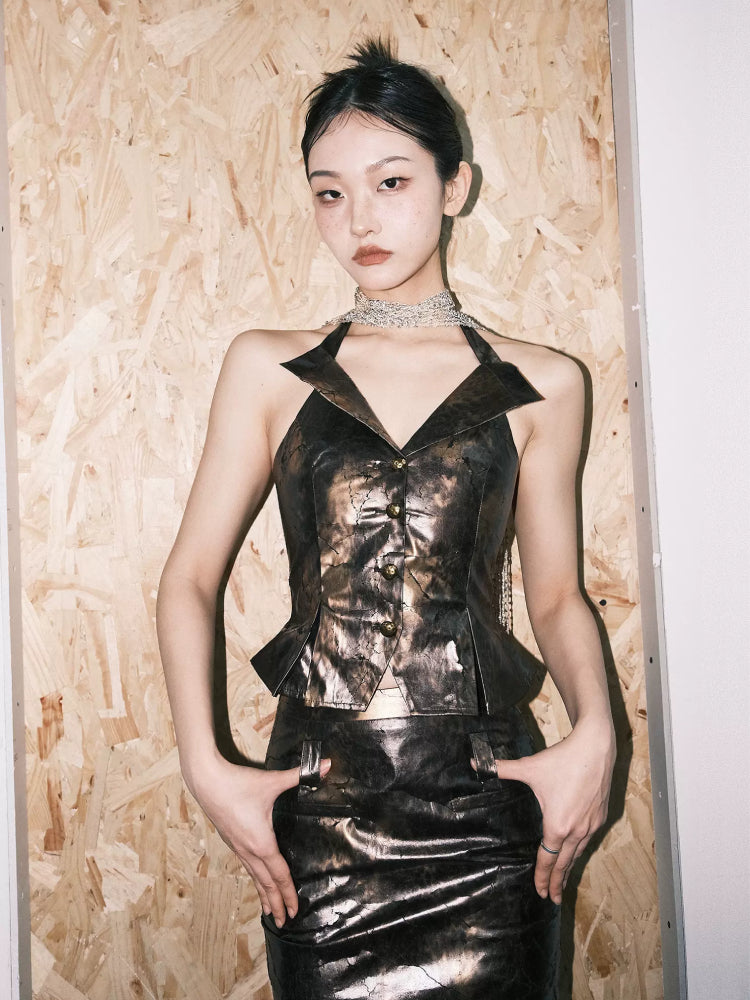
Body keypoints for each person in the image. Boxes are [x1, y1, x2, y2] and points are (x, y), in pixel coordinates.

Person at [156, 38, 616, 1000]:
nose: (359, 218)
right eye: (330, 193)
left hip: (490, 817)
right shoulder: (269, 368)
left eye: (392, 181)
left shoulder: (544, 383)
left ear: (456, 187)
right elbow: (190, 579)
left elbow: (557, 597)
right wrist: (207, 765)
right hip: (320, 815)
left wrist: (596, 735)